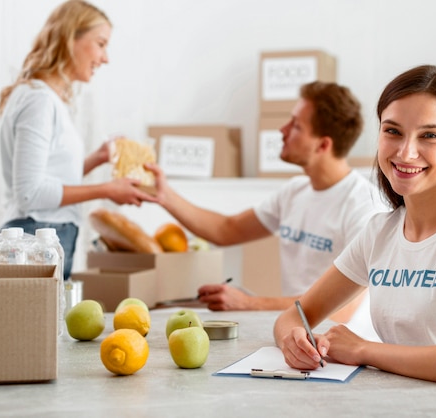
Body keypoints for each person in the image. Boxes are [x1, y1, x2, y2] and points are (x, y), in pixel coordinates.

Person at [273, 65, 436, 417]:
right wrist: (293, 340)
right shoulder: (380, 231)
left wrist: (364, 350)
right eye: (392, 131)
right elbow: (295, 315)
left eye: (430, 136)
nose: (406, 152)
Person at [148, 81, 389, 323]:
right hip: (298, 331)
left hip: (338, 343)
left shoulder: (364, 208)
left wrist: (247, 303)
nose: (282, 130)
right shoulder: (295, 192)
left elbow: (342, 310)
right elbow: (226, 230)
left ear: (323, 144)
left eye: (296, 126)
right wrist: (164, 196)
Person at [0, 0, 155, 279]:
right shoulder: (39, 100)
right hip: (38, 236)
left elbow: (48, 177)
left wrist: (96, 160)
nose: (105, 58)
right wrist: (107, 189)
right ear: (71, 38)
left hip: (43, 234)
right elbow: (30, 192)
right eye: (101, 43)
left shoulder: (45, 98)